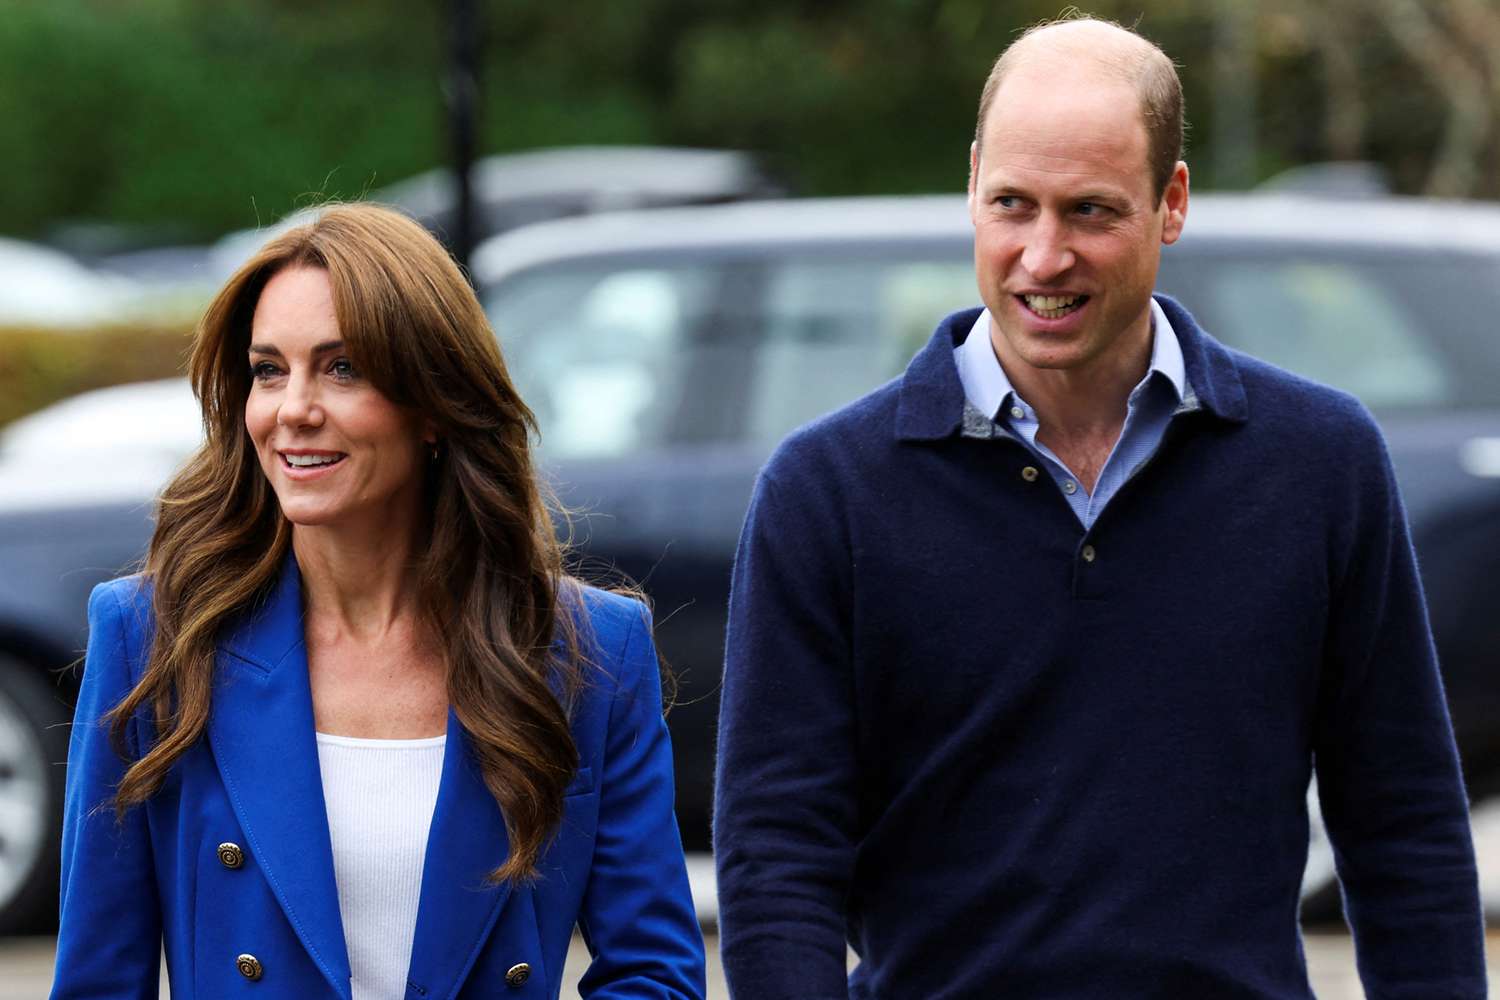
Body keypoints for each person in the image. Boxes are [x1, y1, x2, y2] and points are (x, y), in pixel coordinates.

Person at [715, 16, 1487, 999]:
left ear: (1172, 202)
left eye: (1089, 211)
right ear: (971, 185)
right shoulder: (825, 490)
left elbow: (1404, 823)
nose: (1044, 256)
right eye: (1012, 205)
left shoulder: (1320, 464)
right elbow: (777, 848)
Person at [51, 204, 706, 999]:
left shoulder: (588, 649)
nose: (292, 409)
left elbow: (654, 974)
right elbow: (98, 981)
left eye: (342, 368)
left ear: (433, 404)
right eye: (267, 370)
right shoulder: (153, 637)